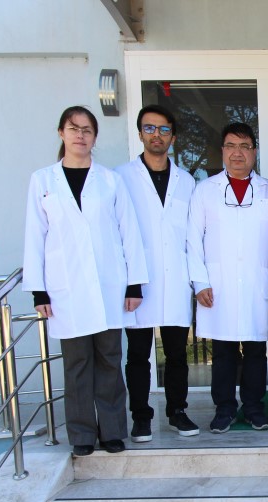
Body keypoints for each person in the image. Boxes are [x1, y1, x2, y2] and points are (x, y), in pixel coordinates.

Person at [23, 105, 148, 456]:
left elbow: (129, 233)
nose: (80, 135)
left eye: (87, 130)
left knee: (109, 360)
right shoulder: (43, 181)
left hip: (110, 284)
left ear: (94, 137)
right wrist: (38, 291)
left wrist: (134, 284)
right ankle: (80, 434)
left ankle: (112, 431)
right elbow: (35, 235)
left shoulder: (110, 180)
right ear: (61, 133)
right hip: (66, 289)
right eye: (73, 128)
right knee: (76, 364)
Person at [187, 122, 268, 433]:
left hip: (258, 282)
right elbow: (192, 239)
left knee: (255, 350)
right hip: (219, 285)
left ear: (254, 151)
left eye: (244, 146)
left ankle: (254, 407)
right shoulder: (205, 191)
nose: (237, 153)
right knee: (223, 350)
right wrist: (200, 283)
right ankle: (224, 409)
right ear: (223, 151)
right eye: (230, 146)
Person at [116, 105, 199, 443]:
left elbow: (192, 236)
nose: (157, 135)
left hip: (176, 279)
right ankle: (141, 416)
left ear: (173, 138)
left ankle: (177, 411)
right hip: (138, 281)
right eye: (150, 128)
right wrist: (130, 281)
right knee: (138, 354)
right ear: (140, 134)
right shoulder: (121, 178)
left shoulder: (187, 181)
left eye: (164, 130)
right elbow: (118, 234)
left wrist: (196, 280)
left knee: (178, 354)